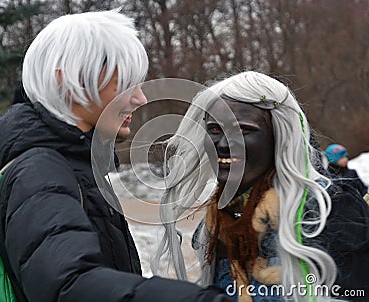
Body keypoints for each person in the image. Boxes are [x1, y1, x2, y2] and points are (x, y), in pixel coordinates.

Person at [0, 10, 230, 302]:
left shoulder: (69, 163)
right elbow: (68, 285)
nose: (140, 98)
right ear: (68, 82)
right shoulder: (41, 170)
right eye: (125, 84)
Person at [152, 71, 369, 301]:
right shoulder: (219, 220)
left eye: (243, 130)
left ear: (279, 136)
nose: (225, 144)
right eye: (215, 130)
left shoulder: (330, 213)